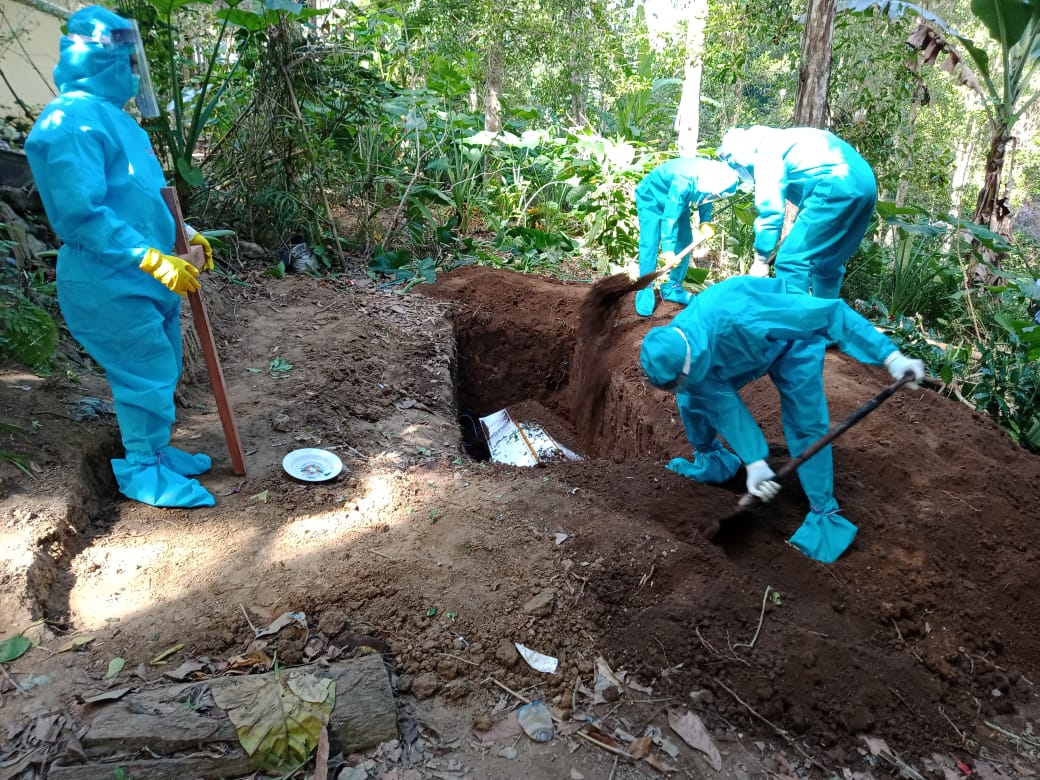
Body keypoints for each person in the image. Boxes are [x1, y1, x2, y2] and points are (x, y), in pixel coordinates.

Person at [25, 5, 216, 508]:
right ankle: (141, 469)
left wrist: (187, 236)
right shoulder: (66, 123)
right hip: (109, 279)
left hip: (147, 278)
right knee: (144, 370)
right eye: (127, 58)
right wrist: (152, 259)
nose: (134, 71)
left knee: (163, 364)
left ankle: (155, 450)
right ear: (99, 55)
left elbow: (145, 199)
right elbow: (82, 215)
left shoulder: (120, 122)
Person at [639, 276, 924, 563]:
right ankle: (714, 460)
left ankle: (824, 515)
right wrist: (755, 462)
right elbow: (721, 403)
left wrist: (890, 357)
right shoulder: (677, 350)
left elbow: (831, 313)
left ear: (691, 360)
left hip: (792, 344)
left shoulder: (741, 314)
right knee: (692, 398)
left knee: (805, 421)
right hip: (733, 358)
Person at [716, 125, 877, 298]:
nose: (742, 171)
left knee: (790, 261)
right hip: (867, 184)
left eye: (738, 165)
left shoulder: (765, 148)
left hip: (835, 183)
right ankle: (823, 319)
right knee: (828, 264)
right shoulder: (787, 139)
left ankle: (795, 321)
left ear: (741, 152)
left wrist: (761, 259)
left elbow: (771, 210)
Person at [633, 157, 740, 316]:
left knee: (684, 240)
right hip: (652, 196)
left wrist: (705, 221)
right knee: (650, 242)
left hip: (679, 200)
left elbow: (708, 197)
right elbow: (670, 216)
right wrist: (668, 250)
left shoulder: (715, 175)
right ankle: (645, 287)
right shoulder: (684, 181)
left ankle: (673, 287)